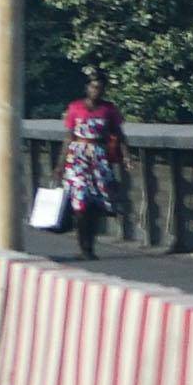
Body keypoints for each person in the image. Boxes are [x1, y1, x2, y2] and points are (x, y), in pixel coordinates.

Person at [50, 83, 127, 266]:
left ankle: (90, 246)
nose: (96, 91)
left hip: (99, 159)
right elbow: (68, 136)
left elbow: (119, 134)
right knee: (80, 204)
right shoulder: (75, 107)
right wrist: (60, 165)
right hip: (77, 159)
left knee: (96, 205)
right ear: (87, 88)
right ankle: (83, 247)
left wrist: (126, 156)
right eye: (93, 87)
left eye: (99, 87)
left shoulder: (109, 110)